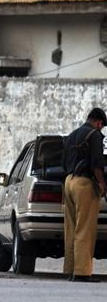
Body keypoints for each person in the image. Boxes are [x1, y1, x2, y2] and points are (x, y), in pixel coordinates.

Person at [62, 107, 107, 282]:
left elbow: (63, 162)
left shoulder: (72, 135)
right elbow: (96, 164)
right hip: (84, 183)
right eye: (102, 126)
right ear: (99, 122)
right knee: (85, 229)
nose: (101, 129)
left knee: (71, 228)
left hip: (68, 182)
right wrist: (102, 183)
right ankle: (81, 273)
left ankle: (71, 270)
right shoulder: (94, 135)